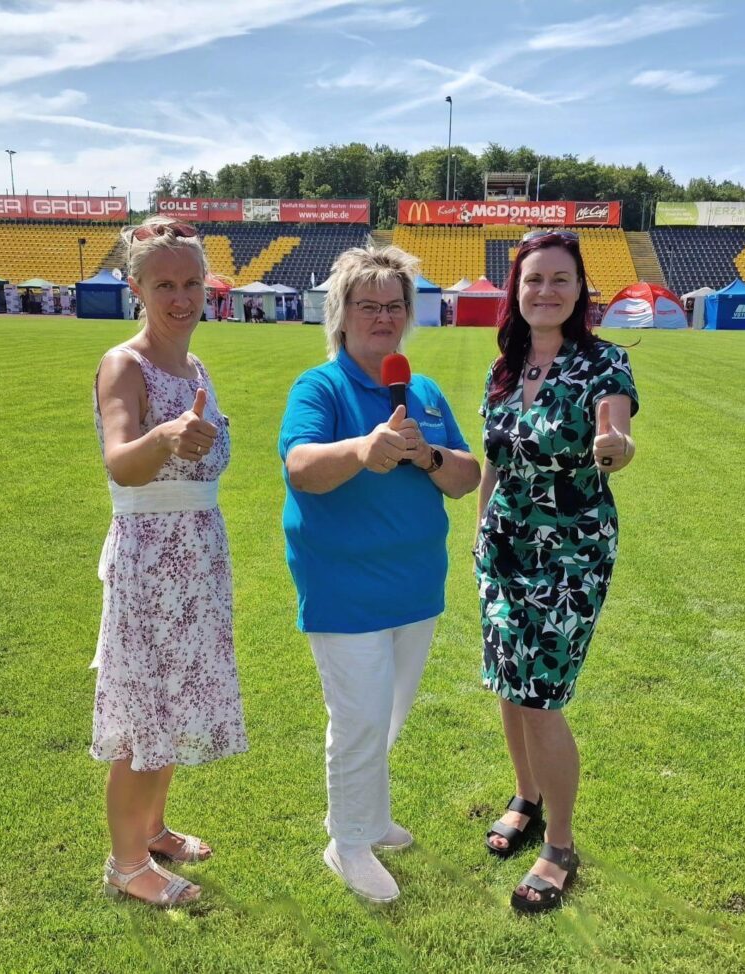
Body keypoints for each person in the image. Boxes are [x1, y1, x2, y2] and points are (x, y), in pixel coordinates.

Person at [279, 245, 481, 903]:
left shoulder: (419, 389)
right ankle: (348, 841)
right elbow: (301, 466)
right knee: (359, 716)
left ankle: (368, 816)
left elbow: (467, 477)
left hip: (414, 585)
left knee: (386, 715)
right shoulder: (321, 386)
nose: (383, 317)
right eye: (368, 305)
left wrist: (429, 456)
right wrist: (362, 449)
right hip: (345, 587)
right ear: (342, 313)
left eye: (395, 306)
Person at [474, 229, 639, 914]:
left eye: (560, 279)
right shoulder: (506, 366)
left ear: (579, 291)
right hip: (504, 546)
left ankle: (561, 845)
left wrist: (613, 445)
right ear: (517, 288)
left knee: (540, 694)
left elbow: (616, 433)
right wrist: (479, 530)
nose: (546, 290)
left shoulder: (604, 365)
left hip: (569, 553)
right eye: (534, 278)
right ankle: (527, 797)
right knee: (509, 685)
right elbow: (495, 458)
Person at [91, 215, 248, 907]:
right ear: (137, 287)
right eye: (165, 285)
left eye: (191, 283)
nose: (181, 297)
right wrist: (165, 435)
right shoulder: (125, 363)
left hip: (197, 558)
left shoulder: (195, 365)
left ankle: (152, 830)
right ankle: (126, 867)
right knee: (142, 710)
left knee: (175, 697)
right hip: (151, 564)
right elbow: (122, 463)